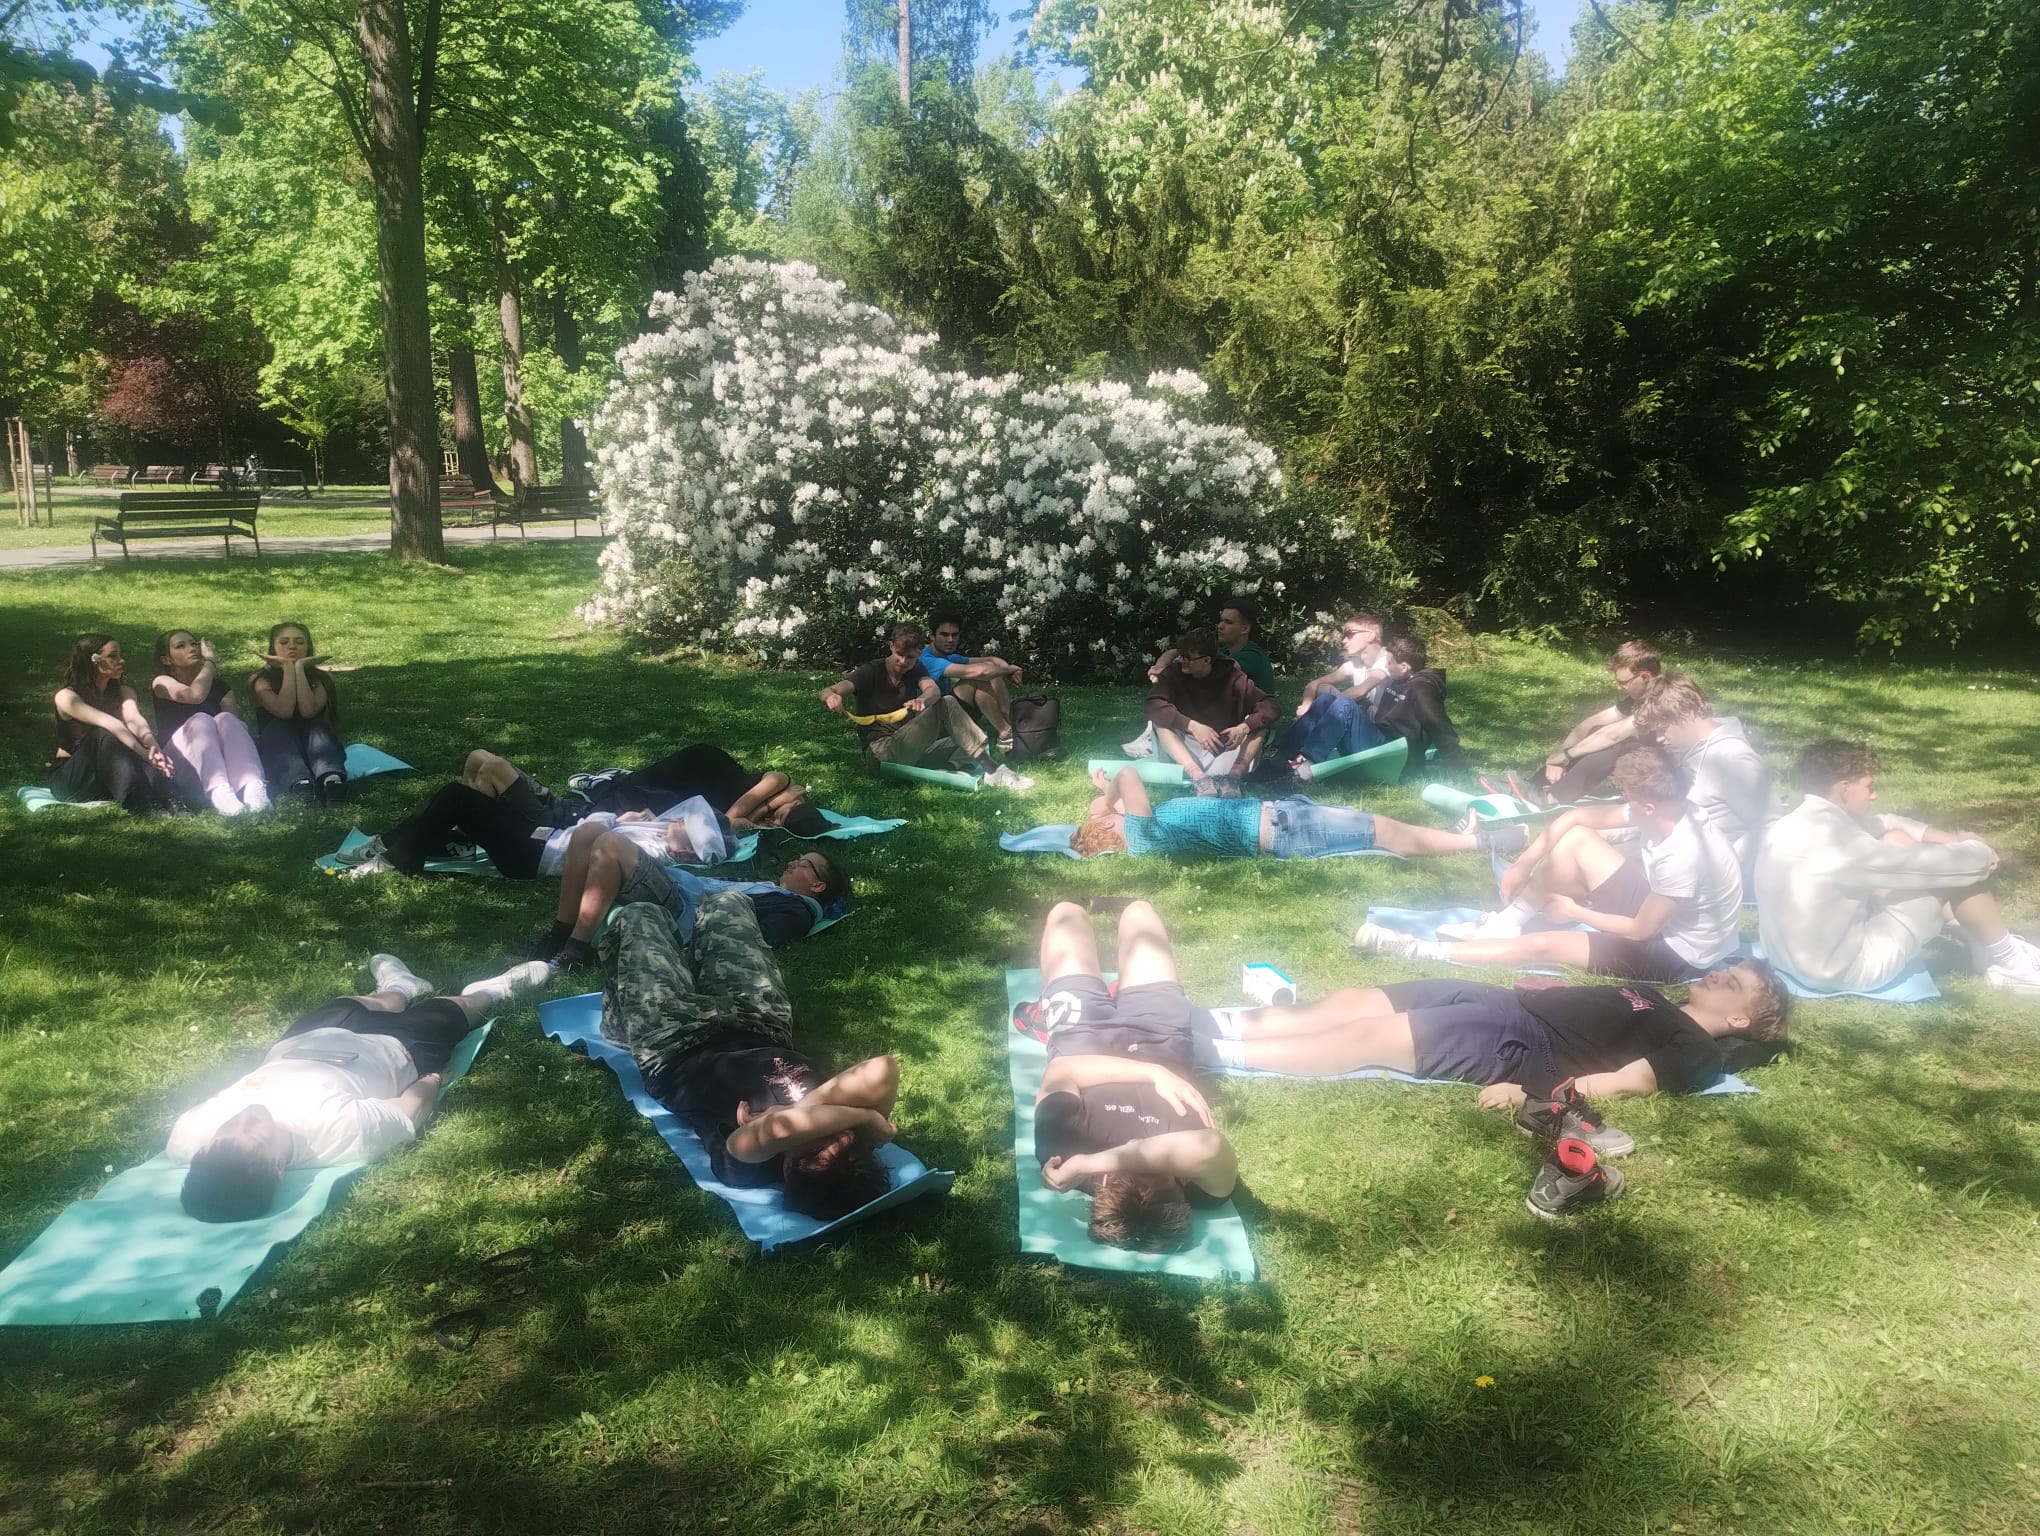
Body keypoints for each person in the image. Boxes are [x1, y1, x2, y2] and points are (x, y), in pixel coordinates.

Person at [1192, 961, 1790, 1217]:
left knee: (1368, 1037)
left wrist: (1534, 1094)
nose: (1719, 973)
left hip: (1524, 1042)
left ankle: (1209, 1052)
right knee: (1351, 1002)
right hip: (1505, 1001)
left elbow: (1623, 1083)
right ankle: (1201, 1023)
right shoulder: (1660, 997)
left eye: (1733, 983)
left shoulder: (1697, 1050)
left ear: (1740, 1018)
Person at [168, 953, 549, 1222]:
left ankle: (399, 988)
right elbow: (408, 1112)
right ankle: (494, 989)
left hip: (305, 1041)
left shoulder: (189, 1136)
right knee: (454, 1008)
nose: (244, 1118)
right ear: (280, 1166)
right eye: (254, 1134)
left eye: (228, 1130)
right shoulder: (337, 1134)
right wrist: (433, 1079)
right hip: (398, 1047)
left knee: (364, 1003)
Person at [601, 890, 899, 1219]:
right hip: (760, 1024)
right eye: (844, 1140)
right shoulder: (855, 1135)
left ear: (788, 1170)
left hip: (676, 1043)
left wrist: (844, 1118)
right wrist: (865, 1119)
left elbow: (779, 1127)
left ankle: (619, 1022)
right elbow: (882, 1069)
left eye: (817, 1144)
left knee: (641, 914)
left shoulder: (747, 1166)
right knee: (727, 902)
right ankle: (691, 962)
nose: (836, 1135)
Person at [1355, 747, 1743, 983]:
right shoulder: (1668, 809)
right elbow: (1574, 819)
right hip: (1663, 915)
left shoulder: (1684, 853)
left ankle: (1417, 950)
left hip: (1680, 954)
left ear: (1649, 805)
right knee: (1577, 840)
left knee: (1543, 946)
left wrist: (1573, 911)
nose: (1622, 799)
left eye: (1626, 794)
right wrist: (1523, 865)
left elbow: (1642, 931)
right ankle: (1507, 924)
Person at [1027, 900, 1238, 1252]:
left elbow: (1062, 1070)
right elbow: (1209, 1147)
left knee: (1066, 914)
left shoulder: (1061, 1155)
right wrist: (1154, 1071)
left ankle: (1043, 1010)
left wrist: (1088, 1162)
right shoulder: (1197, 1188)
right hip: (1162, 1036)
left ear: (1102, 1184)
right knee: (1140, 913)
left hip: (1083, 1036)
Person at [1756, 740, 2040, 996]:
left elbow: (1886, 822)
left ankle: (1981, 942)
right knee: (1958, 875)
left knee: (1897, 839)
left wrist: (1953, 840)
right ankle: (2011, 964)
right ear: (1844, 789)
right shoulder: (1845, 848)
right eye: (1869, 787)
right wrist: (1978, 850)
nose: (1875, 795)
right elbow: (1941, 866)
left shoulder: (1791, 825)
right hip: (1846, 971)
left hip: (1785, 959)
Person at [531, 834, 848, 972]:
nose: (793, 862)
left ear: (817, 885)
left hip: (683, 913)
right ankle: (560, 932)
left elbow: (756, 937)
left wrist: (713, 909)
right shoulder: (772, 889)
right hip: (679, 892)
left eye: (803, 864)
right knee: (587, 834)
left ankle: (574, 952)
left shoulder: (797, 910)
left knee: (610, 843)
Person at [1070, 765, 1498, 860]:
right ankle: (1480, 842)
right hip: (1288, 828)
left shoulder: (1145, 837)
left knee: (1374, 827)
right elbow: (1128, 776)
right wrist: (1107, 799)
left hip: (1284, 819)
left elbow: (1118, 801)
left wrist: (1104, 796)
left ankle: (1460, 836)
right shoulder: (1142, 835)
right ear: (1108, 824)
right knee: (1382, 830)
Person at [334, 787, 727, 882]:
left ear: (689, 850)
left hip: (534, 857)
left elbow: (596, 836)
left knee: (456, 798)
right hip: (545, 837)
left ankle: (394, 857)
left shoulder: (655, 858)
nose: (677, 822)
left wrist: (611, 818)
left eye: (685, 829)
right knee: (457, 797)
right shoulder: (657, 836)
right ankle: (391, 845)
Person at [822, 622, 1032, 789]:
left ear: (919, 653)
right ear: (891, 647)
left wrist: (922, 700)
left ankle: (952, 768)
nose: (903, 662)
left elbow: (933, 690)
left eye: (910, 657)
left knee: (970, 734)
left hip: (908, 746)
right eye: (899, 655)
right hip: (880, 754)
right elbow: (830, 689)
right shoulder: (871, 670)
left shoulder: (916, 668)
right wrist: (832, 696)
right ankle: (993, 771)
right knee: (948, 704)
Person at [465, 743, 825, 834]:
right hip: (699, 767)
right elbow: (732, 818)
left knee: (487, 763)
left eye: (779, 822)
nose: (774, 819)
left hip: (690, 790)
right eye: (783, 814)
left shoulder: (773, 807)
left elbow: (730, 821)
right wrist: (767, 811)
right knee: (480, 758)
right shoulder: (778, 781)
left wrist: (769, 817)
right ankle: (468, 826)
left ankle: (469, 823)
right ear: (795, 801)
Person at [1631, 672, 1780, 887]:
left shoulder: (1734, 758)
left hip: (1698, 879)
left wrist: (1726, 868)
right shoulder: (1689, 750)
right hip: (1663, 858)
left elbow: (1770, 826)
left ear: (1687, 713)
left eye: (1663, 728)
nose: (1659, 738)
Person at [1125, 598, 1279, 759]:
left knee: (1172, 705)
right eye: (1221, 620)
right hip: (1223, 718)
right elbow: (1181, 651)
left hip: (1250, 726)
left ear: (1245, 628)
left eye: (1228, 622)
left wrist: (1169, 671)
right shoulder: (1222, 651)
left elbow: (1221, 666)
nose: (1220, 626)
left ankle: (1159, 738)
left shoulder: (1249, 657)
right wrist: (1161, 666)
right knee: (1164, 705)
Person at [49, 633, 175, 814]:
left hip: (105, 777)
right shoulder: (67, 697)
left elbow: (135, 720)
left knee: (137, 740)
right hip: (72, 780)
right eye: (113, 656)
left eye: (120, 655)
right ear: (93, 660)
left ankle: (170, 797)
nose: (121, 661)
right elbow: (110, 723)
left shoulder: (124, 691)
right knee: (104, 734)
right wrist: (144, 754)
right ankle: (143, 803)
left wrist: (155, 750)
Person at [1142, 628, 1277, 795]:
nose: (1182, 661)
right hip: (1186, 752)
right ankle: (1197, 776)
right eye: (1181, 656)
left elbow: (1270, 704)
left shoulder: (1232, 676)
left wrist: (1244, 727)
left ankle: (1234, 777)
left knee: (1258, 724)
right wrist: (1191, 726)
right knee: (1160, 722)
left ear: (1207, 660)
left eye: (1188, 658)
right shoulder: (1173, 673)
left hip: (1224, 748)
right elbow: (1152, 704)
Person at [1525, 640, 1662, 805]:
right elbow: (1590, 724)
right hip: (1655, 765)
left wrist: (1565, 756)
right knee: (1595, 737)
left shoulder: (1661, 699)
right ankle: (1536, 784)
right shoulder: (1641, 697)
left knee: (1616, 744)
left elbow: (1613, 735)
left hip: (1672, 775)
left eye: (1623, 682)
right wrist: (1560, 759)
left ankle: (1552, 799)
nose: (1619, 687)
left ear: (1645, 677)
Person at [151, 629, 269, 816]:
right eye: (181, 646)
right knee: (201, 719)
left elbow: (237, 728)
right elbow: (194, 695)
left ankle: (252, 787)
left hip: (222, 762)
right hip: (178, 762)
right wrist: (210, 662)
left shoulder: (219, 686)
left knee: (227, 719)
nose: (192, 648)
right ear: (166, 660)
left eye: (194, 643)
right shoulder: (162, 682)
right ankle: (219, 793)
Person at [1274, 613, 1392, 768]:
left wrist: (1329, 710)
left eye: (1350, 634)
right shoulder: (1356, 663)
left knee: (1342, 704)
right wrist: (1307, 707)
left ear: (1370, 636)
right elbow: (1314, 684)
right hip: (1359, 731)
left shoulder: (1387, 659)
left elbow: (1362, 690)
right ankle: (1279, 759)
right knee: (1325, 696)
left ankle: (1307, 765)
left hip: (1380, 742)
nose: (1344, 640)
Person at [250, 621, 347, 806]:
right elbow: (284, 711)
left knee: (315, 725)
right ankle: (301, 784)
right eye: (284, 642)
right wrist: (288, 668)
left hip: (315, 746)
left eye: (300, 642)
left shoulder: (321, 678)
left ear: (308, 646)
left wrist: (300, 668)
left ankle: (332, 781)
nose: (292, 646)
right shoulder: (261, 679)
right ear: (273, 647)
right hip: (279, 749)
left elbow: (308, 711)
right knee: (279, 725)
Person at [1364, 634, 1468, 781]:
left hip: (1396, 756)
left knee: (1344, 707)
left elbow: (1441, 730)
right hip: (1382, 738)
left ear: (1404, 667)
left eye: (1389, 662)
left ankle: (1324, 772)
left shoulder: (1421, 690)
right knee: (1335, 702)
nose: (1386, 666)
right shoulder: (1398, 679)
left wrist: (1461, 773)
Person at [920, 613, 1026, 752]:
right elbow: (981, 672)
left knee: (989, 670)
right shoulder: (927, 660)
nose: (950, 640)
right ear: (932, 636)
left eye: (954, 635)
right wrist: (1008, 670)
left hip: (947, 715)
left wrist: (1006, 669)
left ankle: (1010, 723)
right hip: (929, 726)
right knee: (978, 677)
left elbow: (992, 661)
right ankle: (1006, 731)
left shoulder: (948, 656)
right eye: (944, 635)